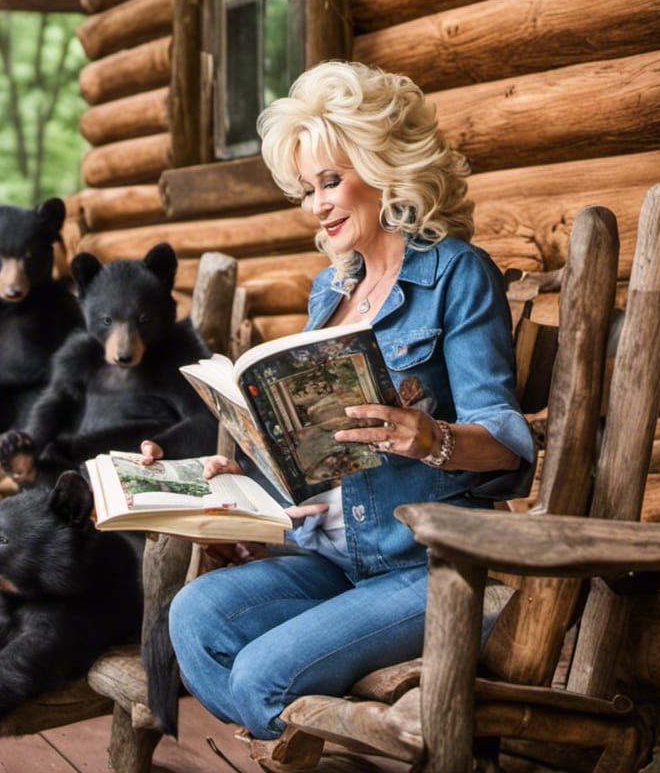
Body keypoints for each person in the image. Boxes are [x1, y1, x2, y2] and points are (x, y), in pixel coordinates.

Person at [158, 60, 535, 748]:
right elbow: (317, 449)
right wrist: (252, 484)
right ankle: (357, 734)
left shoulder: (457, 273)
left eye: (331, 181)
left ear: (384, 168)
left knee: (258, 679)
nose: (317, 205)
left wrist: (428, 438)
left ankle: (351, 738)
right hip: (332, 559)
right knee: (193, 620)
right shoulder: (329, 291)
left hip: (429, 567)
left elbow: (506, 444)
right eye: (308, 189)